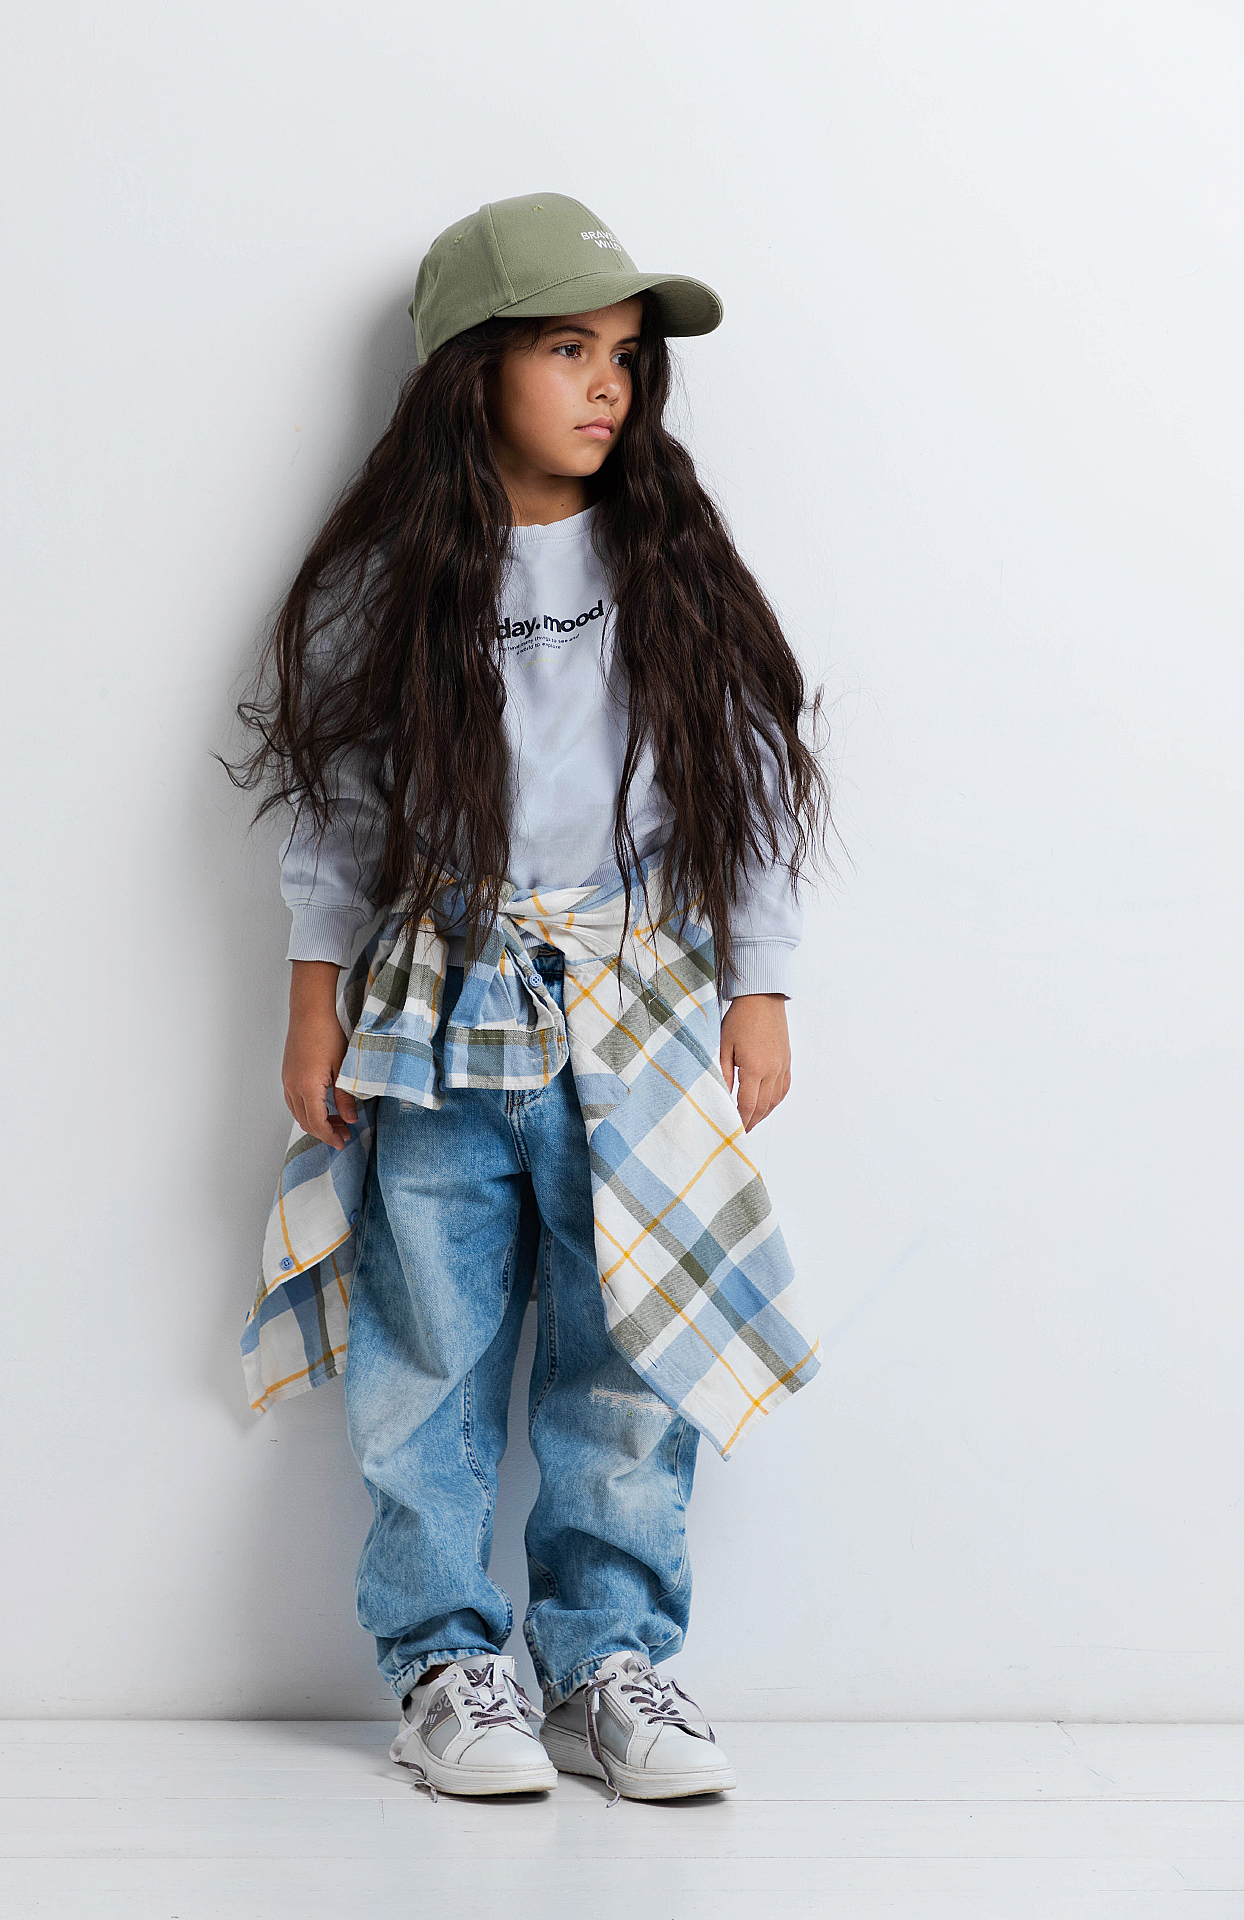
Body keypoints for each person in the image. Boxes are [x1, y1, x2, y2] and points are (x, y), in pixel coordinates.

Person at [226, 192, 834, 1805]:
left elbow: (749, 785)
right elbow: (341, 812)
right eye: (567, 349)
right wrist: (311, 1005)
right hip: (437, 1012)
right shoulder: (392, 581)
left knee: (627, 1344)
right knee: (427, 1336)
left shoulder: (667, 563)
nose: (607, 383)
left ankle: (608, 1658)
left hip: (636, 1010)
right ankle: (443, 1659)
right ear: (470, 369)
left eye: (623, 354)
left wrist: (760, 986)